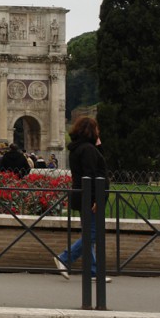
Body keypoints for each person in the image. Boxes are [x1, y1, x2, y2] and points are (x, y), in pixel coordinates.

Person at [53, 116, 110, 283]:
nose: (99, 131)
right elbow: (92, 175)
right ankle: (64, 257)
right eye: (97, 129)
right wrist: (97, 199)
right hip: (91, 197)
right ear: (91, 131)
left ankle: (93, 271)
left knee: (89, 233)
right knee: (94, 233)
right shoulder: (88, 150)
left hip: (82, 195)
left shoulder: (80, 148)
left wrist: (99, 145)